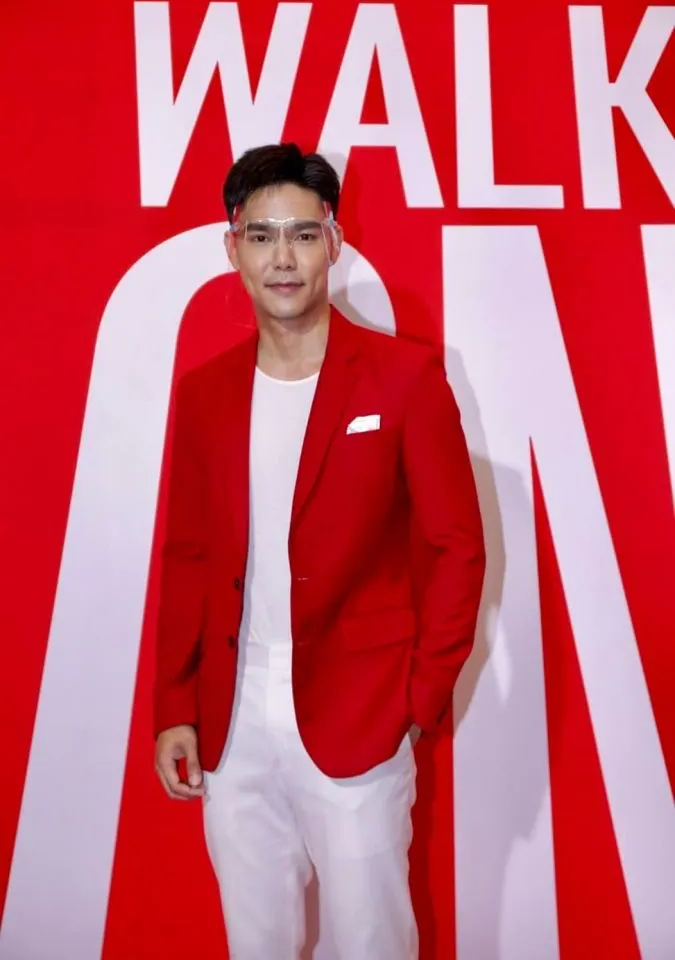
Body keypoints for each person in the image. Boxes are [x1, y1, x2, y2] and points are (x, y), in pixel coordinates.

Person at [153, 142, 486, 959]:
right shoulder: (204, 393)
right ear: (231, 248)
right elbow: (187, 554)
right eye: (261, 236)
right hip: (233, 717)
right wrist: (174, 706)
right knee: (255, 941)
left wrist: (417, 696)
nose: (283, 258)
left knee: (373, 940)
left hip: (360, 710)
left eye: (303, 235)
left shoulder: (405, 378)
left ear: (333, 244)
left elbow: (456, 547)